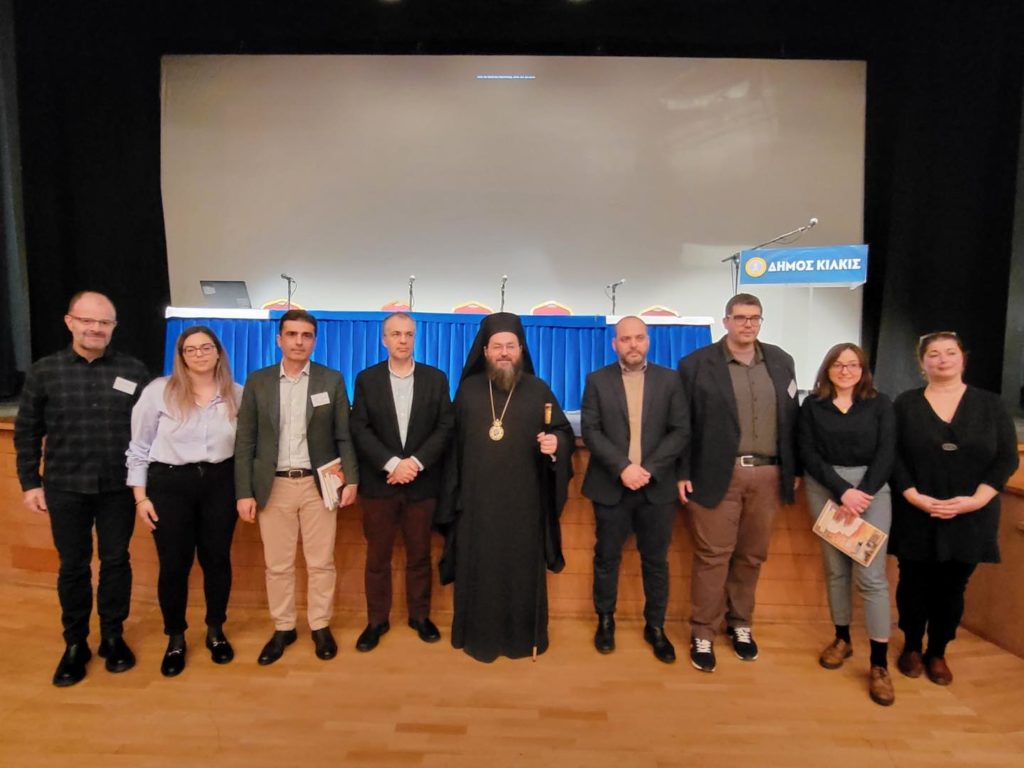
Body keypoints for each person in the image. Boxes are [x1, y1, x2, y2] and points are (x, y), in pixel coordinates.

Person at [14, 291, 150, 686]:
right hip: (64, 487)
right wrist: (30, 482)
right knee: (73, 567)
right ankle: (75, 644)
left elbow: (149, 430)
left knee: (116, 561)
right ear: (69, 322)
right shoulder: (45, 371)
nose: (95, 328)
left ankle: (112, 636)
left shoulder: (133, 370)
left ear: (114, 327)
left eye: (104, 322)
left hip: (117, 488)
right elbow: (27, 431)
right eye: (87, 321)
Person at [438, 312, 574, 663]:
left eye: (510, 346)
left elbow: (562, 431)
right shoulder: (467, 391)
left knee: (519, 572)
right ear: (484, 351)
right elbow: (452, 448)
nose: (503, 352)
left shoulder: (538, 389)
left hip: (523, 506)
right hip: (476, 506)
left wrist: (556, 445)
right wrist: (454, 498)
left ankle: (522, 638)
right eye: (496, 346)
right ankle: (476, 637)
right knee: (479, 571)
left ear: (521, 349)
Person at [677, 293, 799, 672]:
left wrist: (794, 469)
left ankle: (740, 624)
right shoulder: (696, 364)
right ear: (726, 320)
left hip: (769, 476)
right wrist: (682, 471)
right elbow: (683, 424)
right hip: (716, 475)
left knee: (751, 556)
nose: (748, 324)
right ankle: (703, 632)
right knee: (713, 557)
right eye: (741, 317)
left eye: (755, 318)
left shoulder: (781, 361)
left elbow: (792, 420)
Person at [890, 332, 1018, 686]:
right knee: (913, 582)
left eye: (949, 352)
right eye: (933, 354)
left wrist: (978, 499)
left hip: (972, 513)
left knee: (953, 586)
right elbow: (893, 456)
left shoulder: (991, 405)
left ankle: (938, 651)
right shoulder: (905, 404)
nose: (942, 359)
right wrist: (912, 495)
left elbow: (1006, 458)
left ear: (963, 358)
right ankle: (912, 646)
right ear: (922, 362)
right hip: (916, 509)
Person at [234, 309, 360, 665]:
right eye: (292, 334)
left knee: (321, 563)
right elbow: (245, 441)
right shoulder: (258, 381)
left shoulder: (331, 379)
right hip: (272, 486)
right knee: (278, 564)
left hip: (319, 485)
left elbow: (343, 435)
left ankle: (320, 625)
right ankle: (284, 627)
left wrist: (352, 479)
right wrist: (244, 492)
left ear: (314, 341)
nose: (299, 342)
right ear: (279, 339)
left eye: (306, 335)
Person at [126, 325, 243, 677]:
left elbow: (247, 446)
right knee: (174, 565)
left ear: (218, 352)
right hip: (169, 485)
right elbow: (138, 447)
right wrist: (140, 497)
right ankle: (175, 637)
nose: (199, 354)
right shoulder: (158, 392)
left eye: (206, 347)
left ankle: (215, 631)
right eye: (190, 349)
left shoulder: (237, 393)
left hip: (221, 484)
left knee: (217, 560)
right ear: (181, 356)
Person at [581, 315, 689, 663]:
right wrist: (623, 468)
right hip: (611, 485)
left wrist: (649, 470)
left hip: (656, 488)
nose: (632, 345)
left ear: (648, 341)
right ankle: (605, 621)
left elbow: (680, 430)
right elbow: (591, 430)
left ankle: (655, 627)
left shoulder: (670, 380)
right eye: (625, 339)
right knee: (606, 558)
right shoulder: (597, 380)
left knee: (656, 561)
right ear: (615, 344)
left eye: (639, 338)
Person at [799, 343, 897, 706]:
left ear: (863, 370)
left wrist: (861, 494)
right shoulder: (813, 405)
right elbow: (808, 452)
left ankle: (879, 663)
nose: (845, 370)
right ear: (827, 369)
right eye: (838, 365)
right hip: (825, 489)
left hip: (871, 492)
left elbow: (887, 452)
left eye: (853, 364)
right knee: (836, 570)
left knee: (871, 577)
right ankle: (842, 639)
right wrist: (842, 491)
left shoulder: (880, 404)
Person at [349, 313, 454, 652]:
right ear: (384, 340)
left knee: (420, 555)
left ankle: (419, 617)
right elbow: (359, 428)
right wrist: (393, 463)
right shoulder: (367, 379)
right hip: (379, 485)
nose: (403, 340)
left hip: (422, 484)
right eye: (396, 334)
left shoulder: (436, 379)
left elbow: (445, 427)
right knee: (377, 558)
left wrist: (415, 463)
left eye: (408, 334)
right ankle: (376, 621)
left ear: (415, 338)